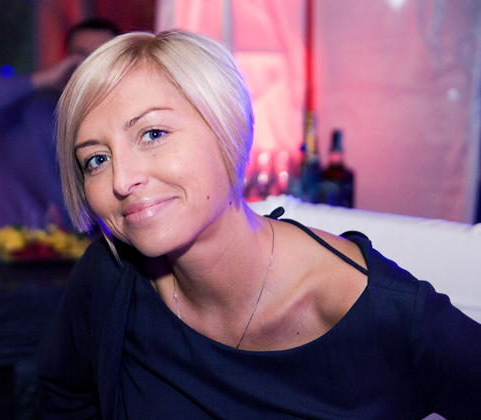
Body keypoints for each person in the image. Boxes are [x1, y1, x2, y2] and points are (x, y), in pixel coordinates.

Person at [37, 30, 481, 419]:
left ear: (228, 127)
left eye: (153, 134)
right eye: (96, 159)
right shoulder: (108, 277)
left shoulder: (383, 312)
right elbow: (65, 400)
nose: (121, 180)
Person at [0, 19, 121, 243]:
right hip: (3, 247)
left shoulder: (121, 120)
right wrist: (42, 79)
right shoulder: (27, 106)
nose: (89, 66)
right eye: (81, 56)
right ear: (67, 60)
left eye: (101, 57)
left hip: (80, 251)